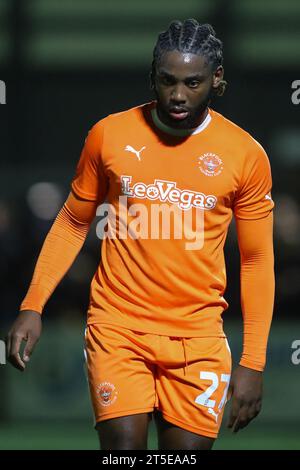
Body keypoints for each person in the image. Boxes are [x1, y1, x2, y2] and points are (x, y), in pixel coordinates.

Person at [6, 19, 275, 450]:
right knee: (124, 454)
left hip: (199, 337)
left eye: (193, 82)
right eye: (167, 80)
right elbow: (74, 221)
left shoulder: (246, 155)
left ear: (217, 80)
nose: (179, 94)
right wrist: (33, 305)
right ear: (152, 75)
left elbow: (256, 260)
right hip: (118, 326)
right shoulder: (109, 135)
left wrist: (254, 362)